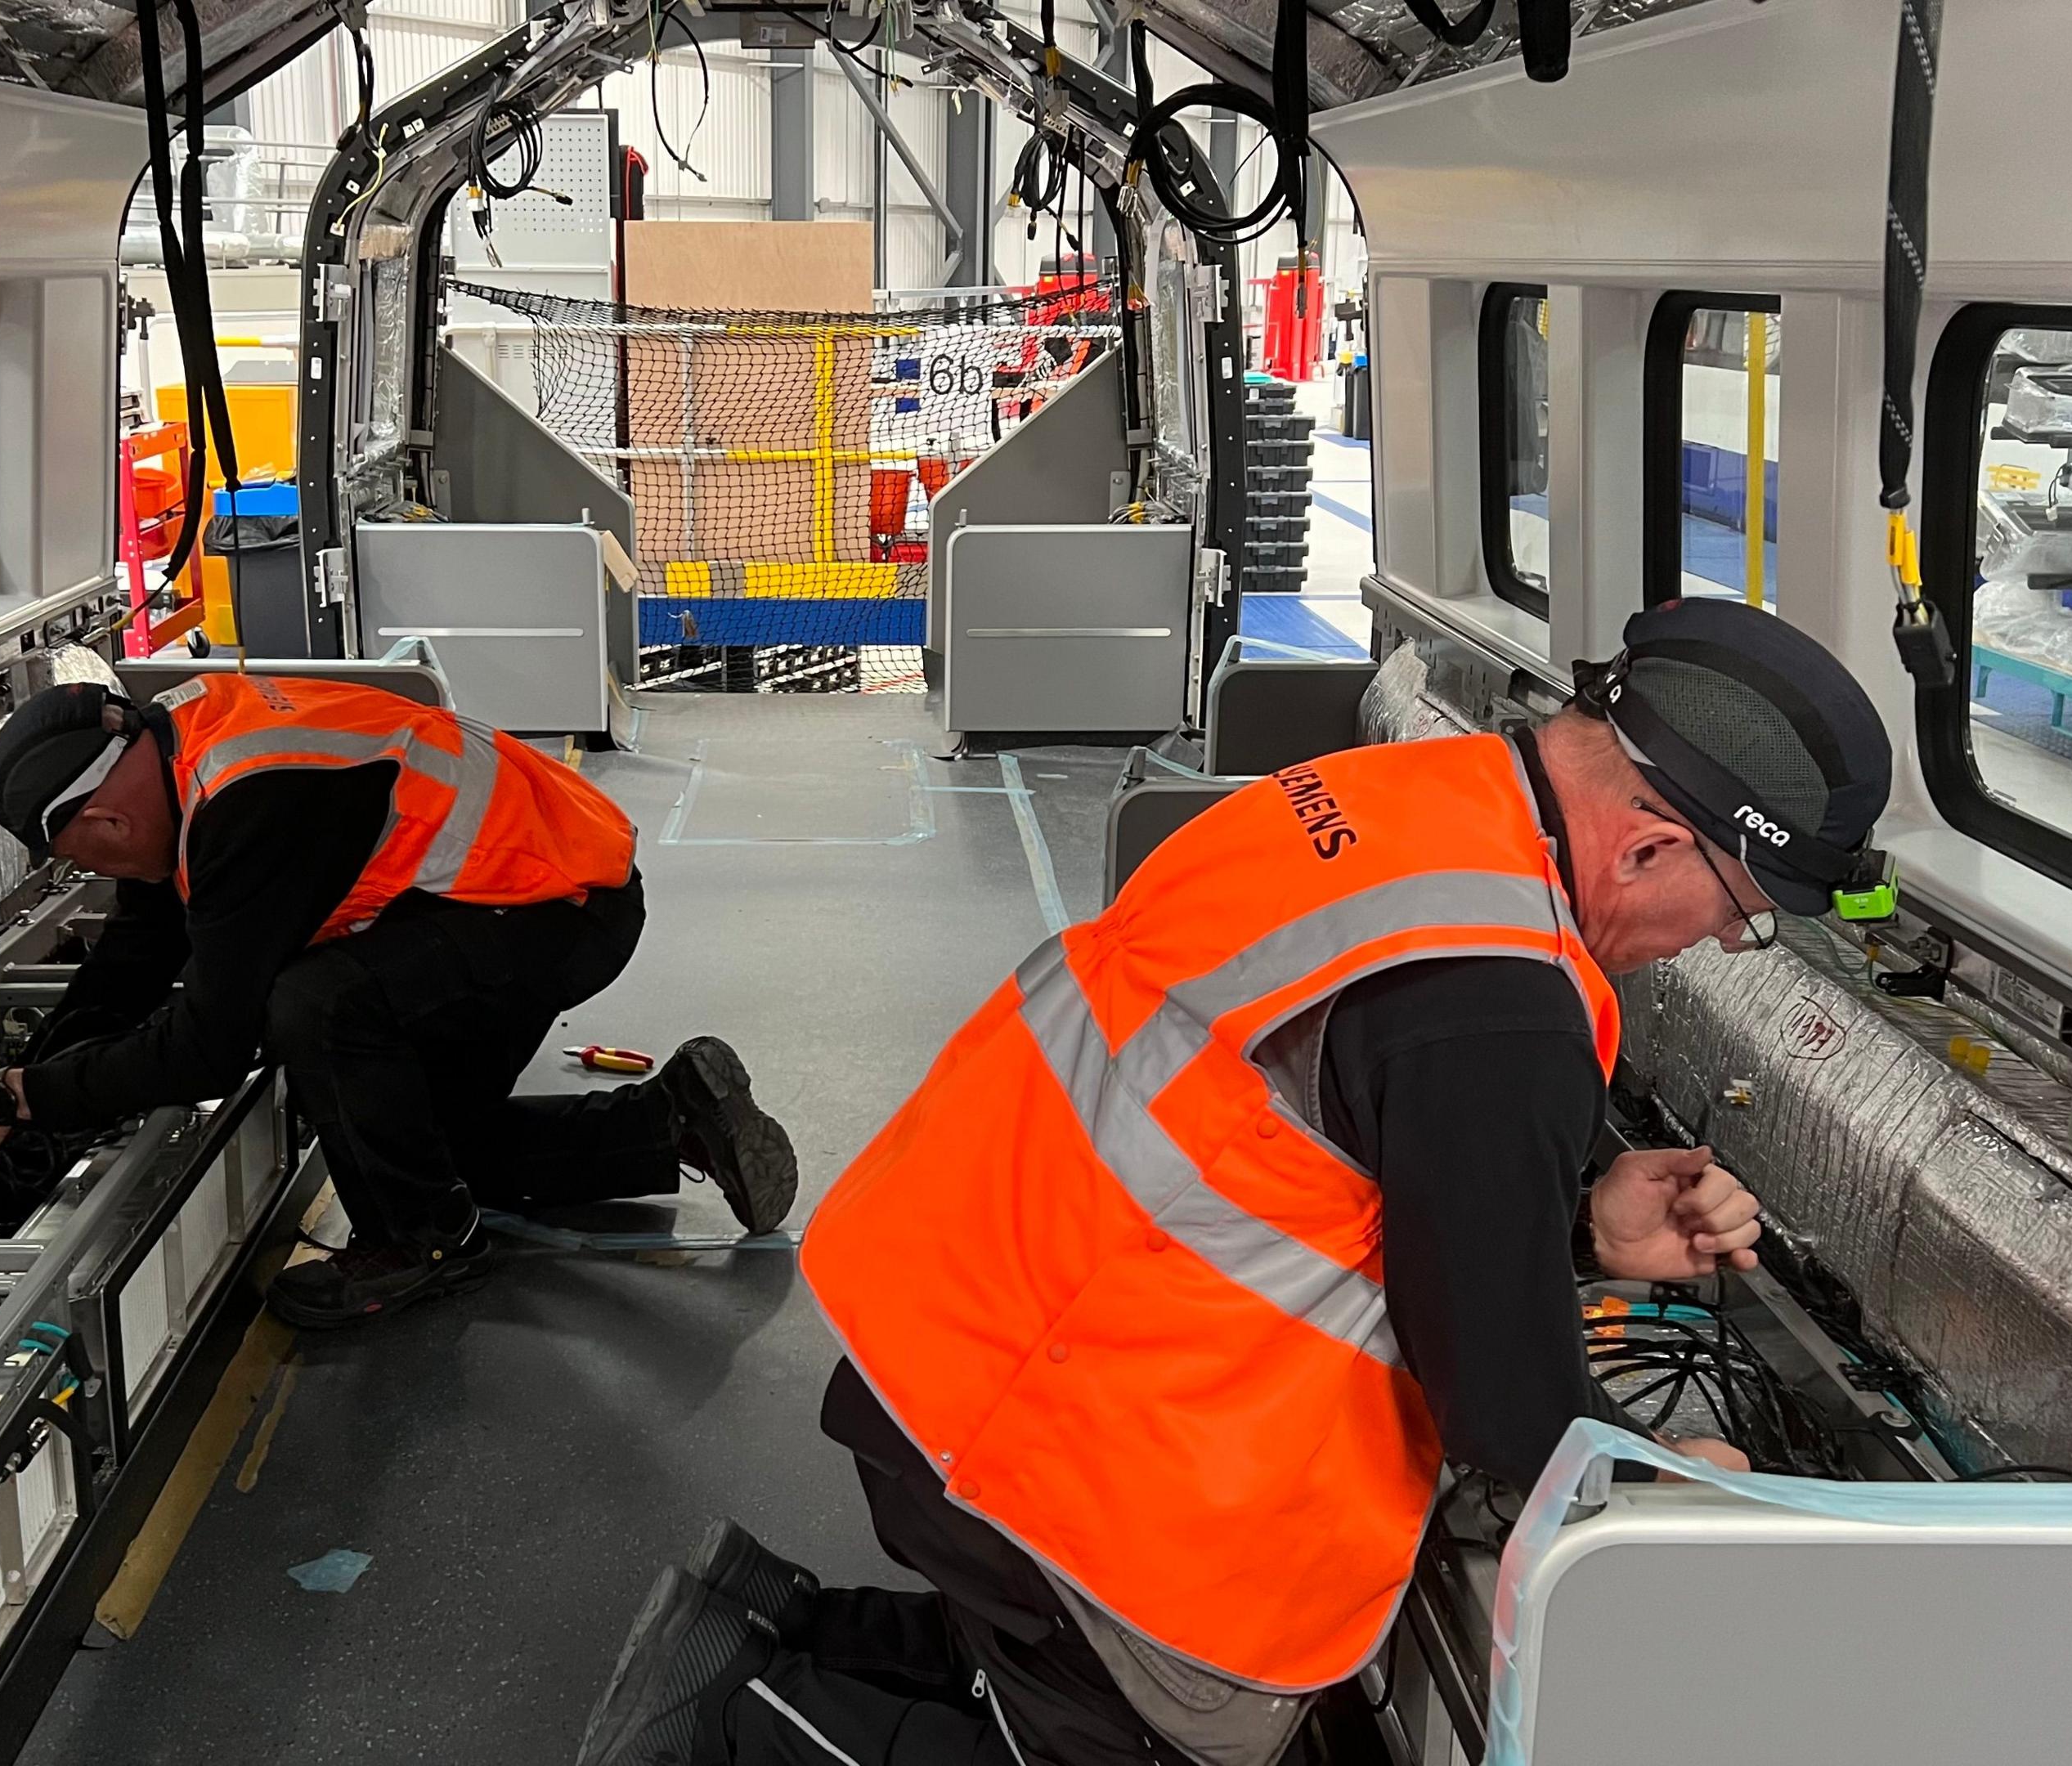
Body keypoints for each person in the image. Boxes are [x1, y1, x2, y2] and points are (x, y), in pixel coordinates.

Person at [575, 599, 1896, 1765]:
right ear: (1651, 847)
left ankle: (761, 1627)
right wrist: (1665, 1493)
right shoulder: (1504, 1009)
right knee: (1163, 1729)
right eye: (1739, 911)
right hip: (1055, 1419)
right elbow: (1506, 1405)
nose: (1720, 939)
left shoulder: (1406, 801)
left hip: (961, 1317)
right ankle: (745, 1715)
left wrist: (1578, 1220)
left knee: (1059, 1674)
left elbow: (1292, 1131)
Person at [0, 670, 801, 1327]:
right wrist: (45, 1081)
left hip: (555, 912)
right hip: (515, 894)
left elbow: (211, 1046)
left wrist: (16, 1097)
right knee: (420, 1146)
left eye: (81, 859)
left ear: (104, 822)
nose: (91, 876)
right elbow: (144, 945)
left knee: (314, 1004)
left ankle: (419, 1244)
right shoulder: (180, 750)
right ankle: (671, 1118)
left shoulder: (245, 801)